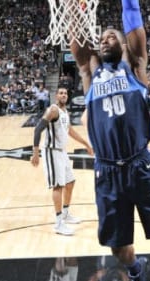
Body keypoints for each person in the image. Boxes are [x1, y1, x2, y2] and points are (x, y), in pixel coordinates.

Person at [69, 0, 150, 281]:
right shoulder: (90, 72)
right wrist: (76, 9)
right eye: (102, 37)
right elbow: (80, 46)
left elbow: (135, 26)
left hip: (141, 164)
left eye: (112, 36)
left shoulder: (135, 67)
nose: (105, 39)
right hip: (107, 170)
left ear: (123, 44)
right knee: (118, 247)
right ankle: (136, 271)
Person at [31, 86, 93, 236]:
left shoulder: (65, 112)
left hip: (62, 152)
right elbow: (38, 129)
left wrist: (86, 144)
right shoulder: (53, 110)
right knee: (58, 186)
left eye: (65, 93)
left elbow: (69, 131)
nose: (63, 95)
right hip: (51, 151)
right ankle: (59, 223)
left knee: (70, 182)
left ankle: (65, 213)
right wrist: (35, 152)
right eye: (61, 93)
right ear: (56, 96)